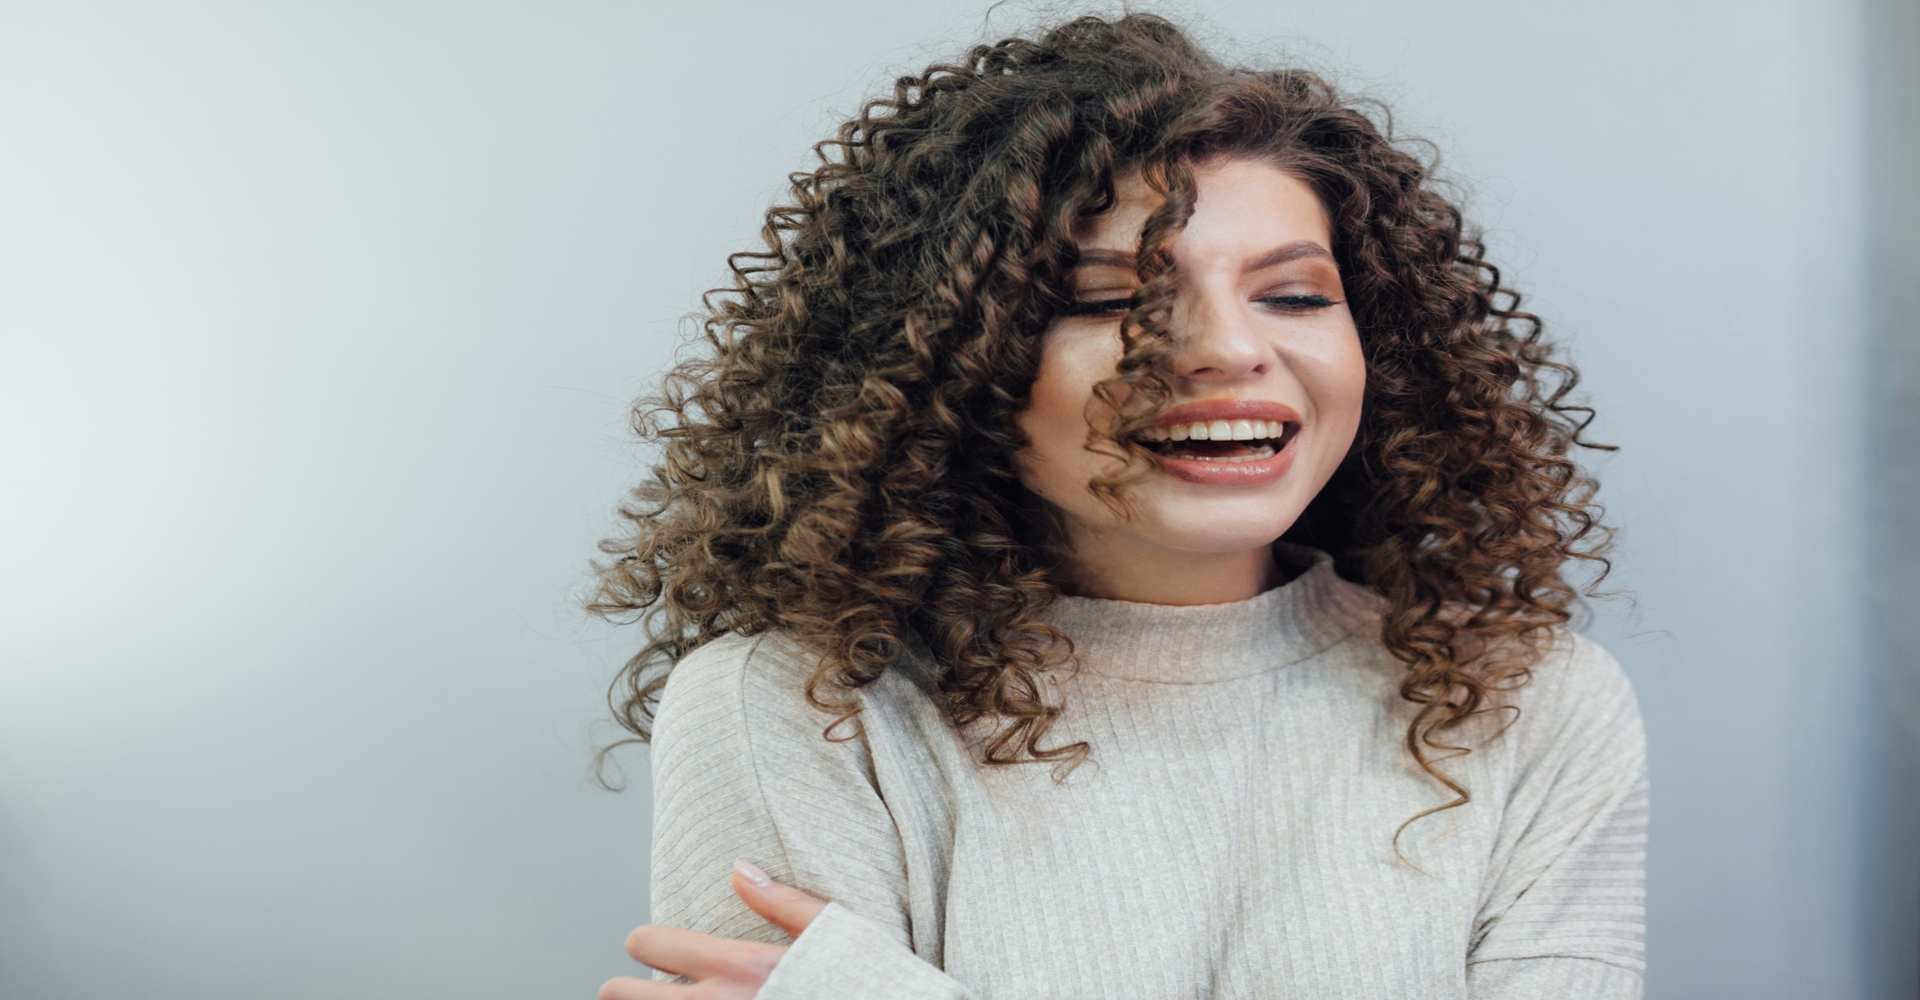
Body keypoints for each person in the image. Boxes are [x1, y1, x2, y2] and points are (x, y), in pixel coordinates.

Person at [585, 11, 1648, 999]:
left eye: (1293, 294)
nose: (1230, 349)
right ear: (946, 368)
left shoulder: (1521, 700)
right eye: (1108, 300)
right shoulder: (800, 707)